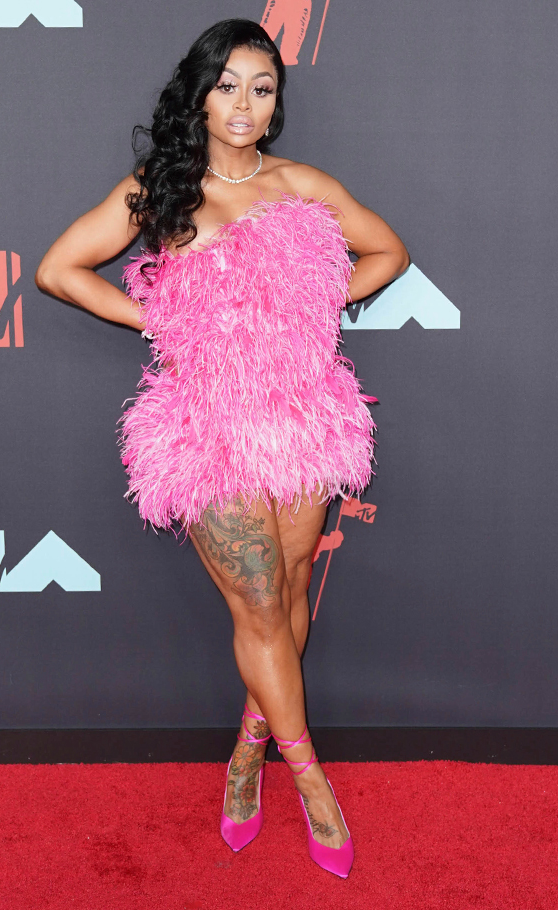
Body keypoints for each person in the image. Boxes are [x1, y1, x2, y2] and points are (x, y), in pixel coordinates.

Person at [35, 18, 409, 879]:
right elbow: (59, 270)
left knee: (290, 588)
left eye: (262, 87)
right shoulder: (160, 188)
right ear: (200, 94)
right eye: (228, 84)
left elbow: (389, 251)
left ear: (278, 102)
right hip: (204, 429)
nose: (244, 103)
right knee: (259, 604)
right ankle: (308, 778)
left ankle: (247, 753)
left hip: (303, 419)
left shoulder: (301, 185)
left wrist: (307, 311)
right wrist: (164, 319)